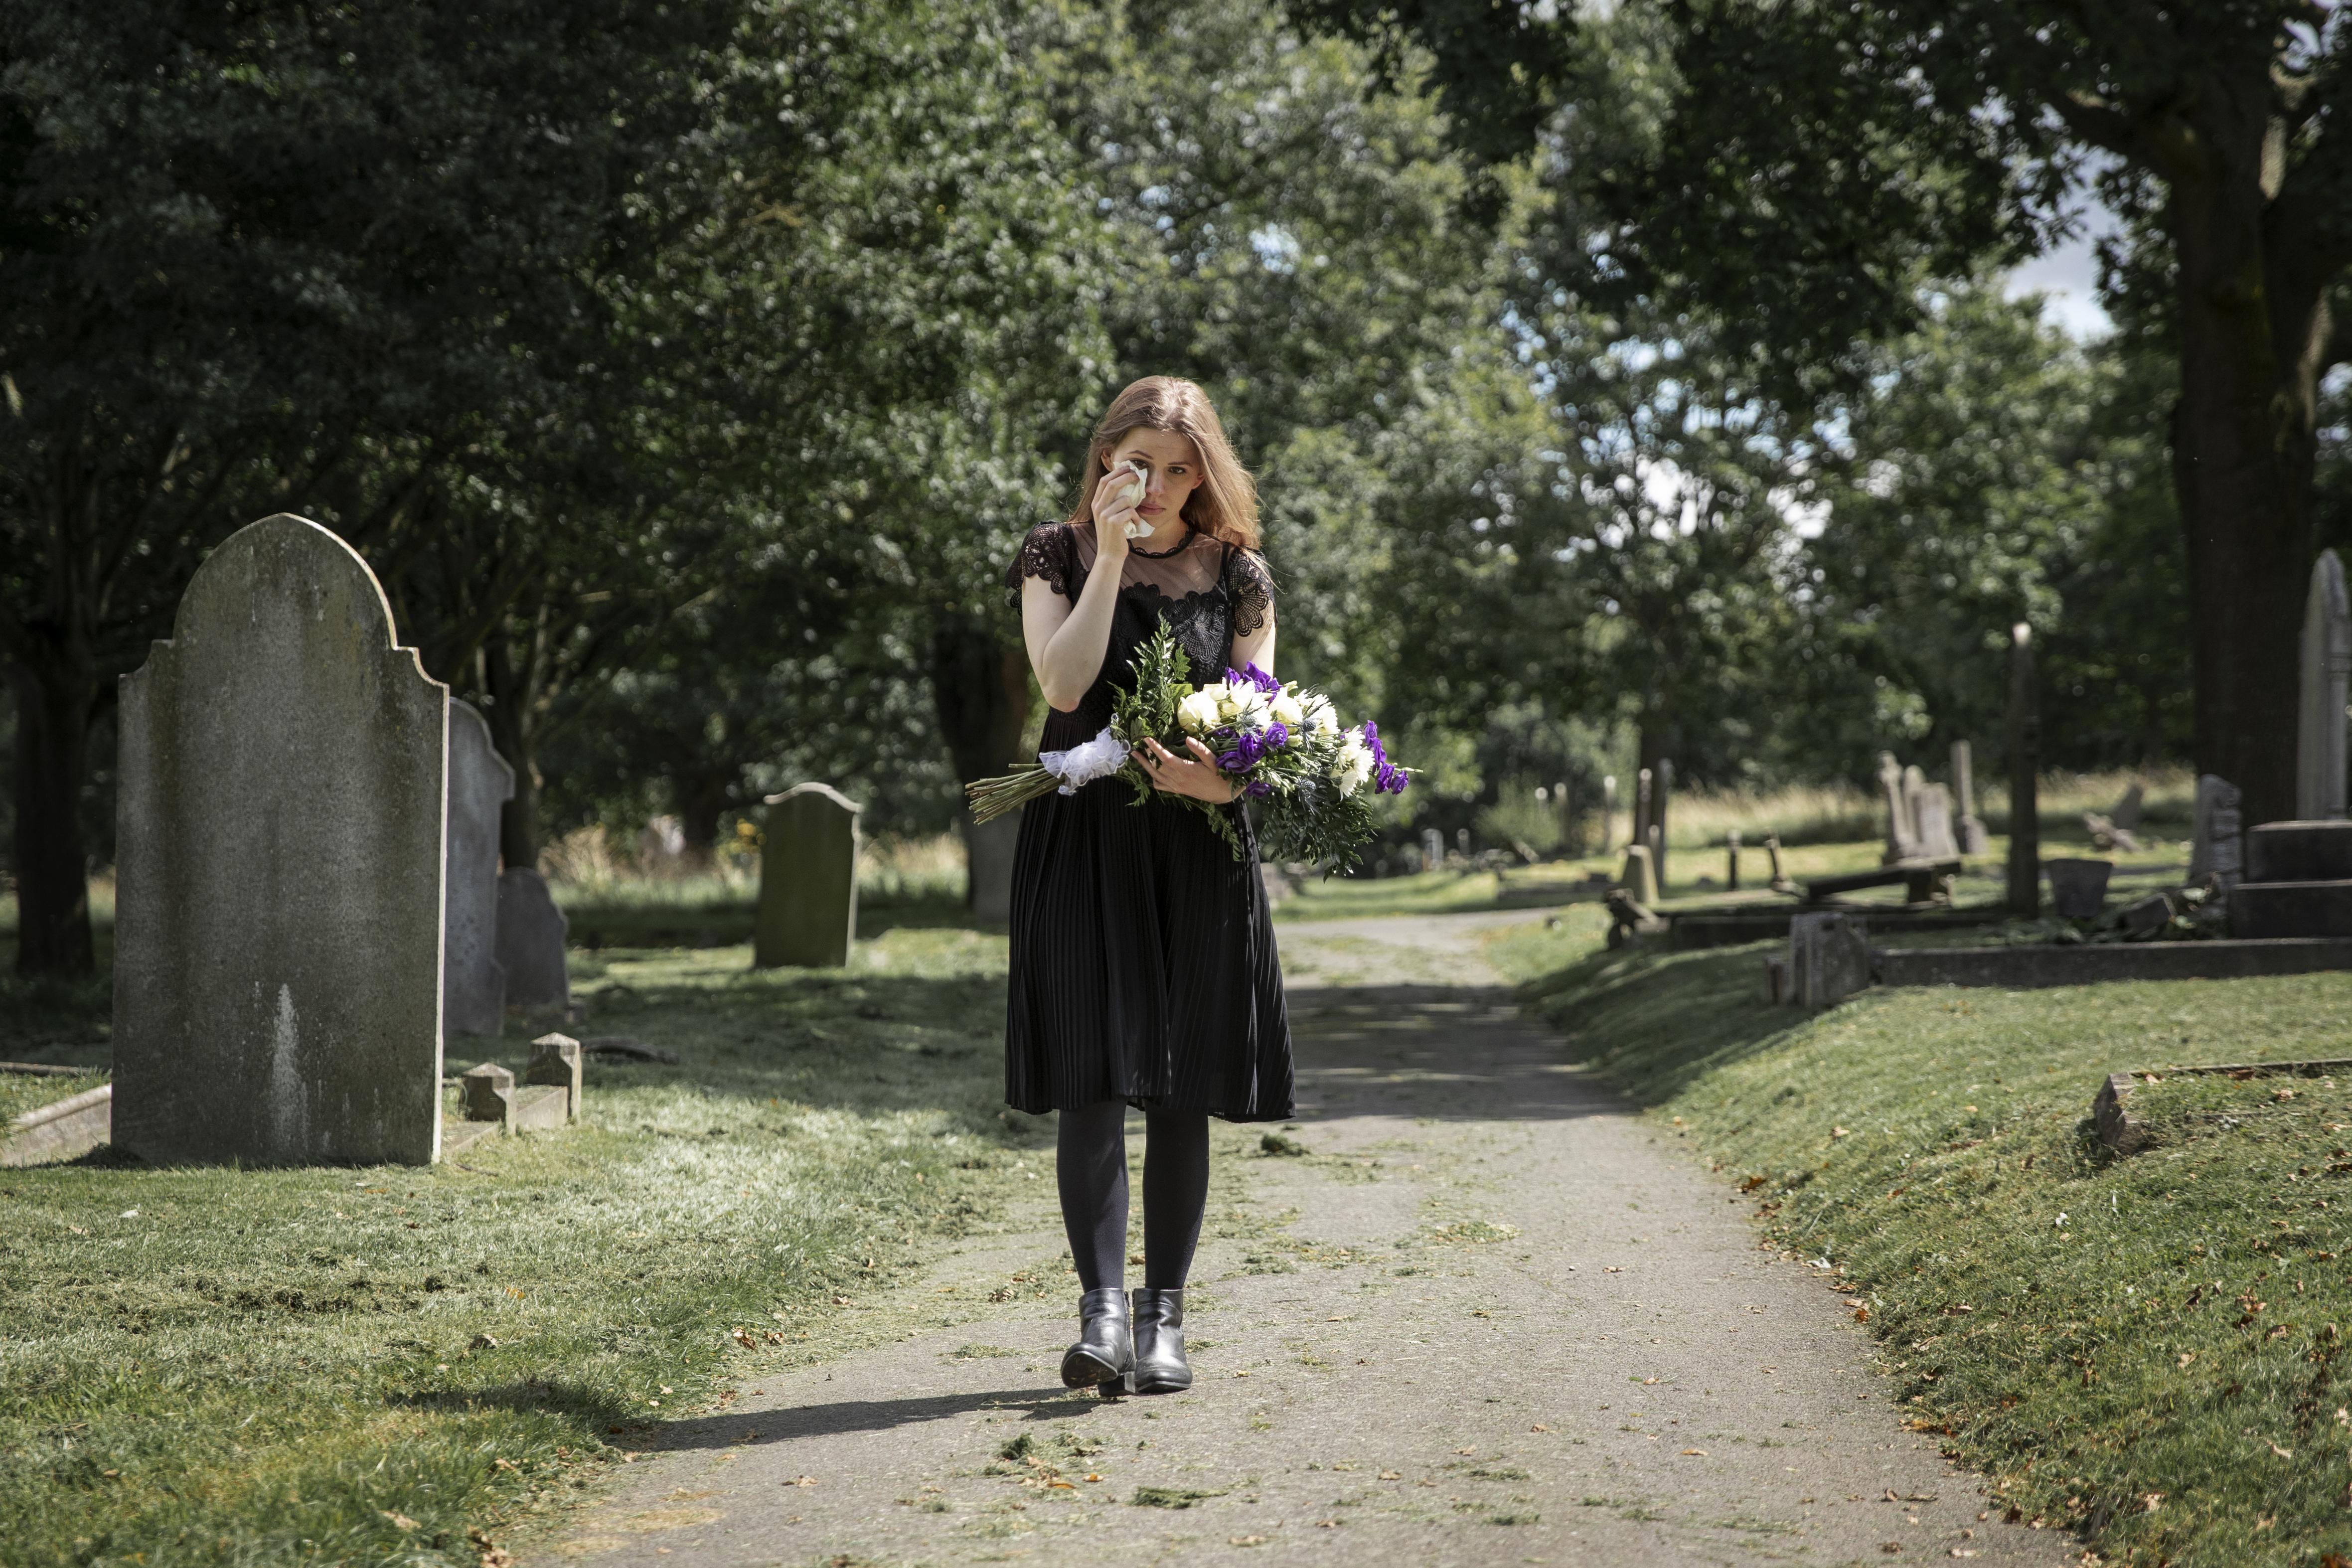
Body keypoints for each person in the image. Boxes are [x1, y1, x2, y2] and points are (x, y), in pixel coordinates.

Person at [1002, 375, 1293, 1396]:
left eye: (1178, 469)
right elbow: (1065, 685)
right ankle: (1102, 1317)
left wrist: (1223, 780)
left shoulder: (1240, 576)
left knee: (1179, 1091)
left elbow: (1265, 724)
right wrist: (1112, 556)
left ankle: (1166, 1317)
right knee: (1088, 1081)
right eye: (1138, 465)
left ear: (1203, 473)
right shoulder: (1057, 552)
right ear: (1103, 464)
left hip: (1194, 846)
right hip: (1083, 843)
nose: (1159, 484)